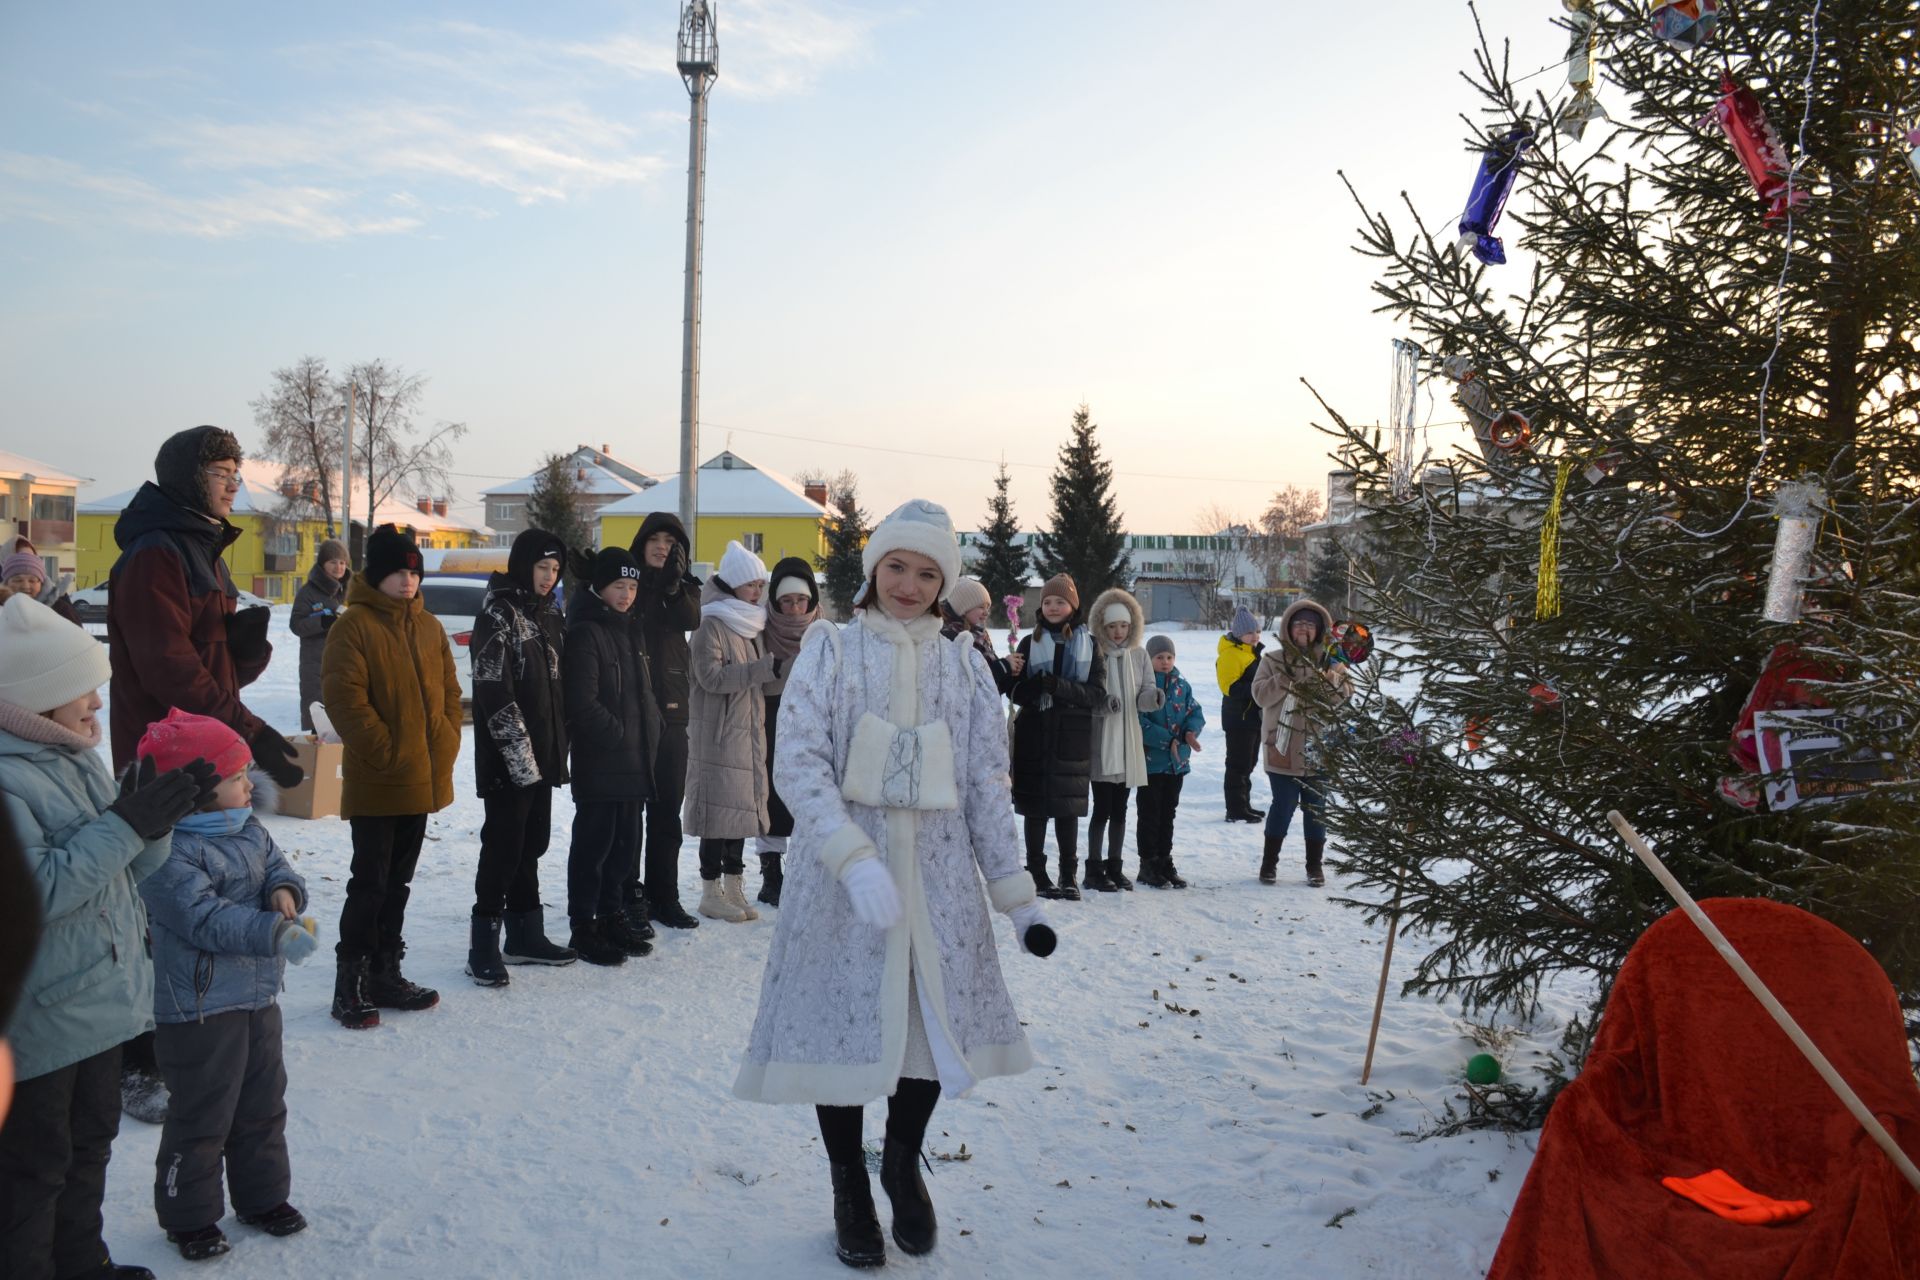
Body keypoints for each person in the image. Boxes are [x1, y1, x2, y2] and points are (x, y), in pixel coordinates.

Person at [735, 500, 1049, 1270]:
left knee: (927, 1028)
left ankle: (901, 1161)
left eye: (927, 572)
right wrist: (850, 854)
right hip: (845, 884)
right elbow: (800, 761)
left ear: (945, 583)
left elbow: (983, 781)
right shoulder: (831, 650)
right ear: (875, 570)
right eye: (898, 567)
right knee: (842, 1025)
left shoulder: (963, 665)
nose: (909, 584)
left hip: (937, 882)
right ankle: (848, 1183)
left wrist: (1014, 893)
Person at [0, 589, 215, 1280]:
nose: (97, 704)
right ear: (33, 699)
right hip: (40, 1024)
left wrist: (152, 820)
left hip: (100, 1006)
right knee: (35, 1173)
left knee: (91, 1145)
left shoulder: (72, 756)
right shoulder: (8, 782)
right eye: (81, 691)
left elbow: (125, 870)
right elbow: (36, 893)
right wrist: (123, 825)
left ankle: (81, 1265)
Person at [106, 428, 303, 1121]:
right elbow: (169, 673)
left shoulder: (204, 554)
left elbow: (209, 667)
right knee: (152, 910)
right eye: (219, 471)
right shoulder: (155, 556)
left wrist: (244, 657)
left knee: (205, 896)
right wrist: (249, 732)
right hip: (158, 763)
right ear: (188, 479)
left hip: (206, 753)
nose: (231, 483)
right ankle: (135, 1059)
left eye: (235, 471)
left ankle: (192, 1035)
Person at [134, 711, 312, 1262]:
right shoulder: (164, 850)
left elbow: (281, 868)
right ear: (200, 791)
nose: (249, 783)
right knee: (203, 1114)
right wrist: (274, 931)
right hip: (199, 1006)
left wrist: (285, 892)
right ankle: (188, 1217)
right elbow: (203, 918)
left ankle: (263, 1199)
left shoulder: (248, 827)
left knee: (262, 1103)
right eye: (237, 776)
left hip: (257, 996)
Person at [321, 525, 463, 1027]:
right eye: (398, 572)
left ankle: (386, 972)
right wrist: (387, 752)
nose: (408, 581)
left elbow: (450, 691)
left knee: (398, 883)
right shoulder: (353, 625)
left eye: (413, 572)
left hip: (422, 778)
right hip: (379, 778)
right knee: (370, 883)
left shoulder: (428, 627)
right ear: (376, 575)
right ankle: (351, 984)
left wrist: (445, 739)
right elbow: (346, 701)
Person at [467, 529, 576, 979]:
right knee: (503, 848)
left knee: (531, 846)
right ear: (523, 564)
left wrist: (553, 752)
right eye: (542, 567)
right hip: (508, 762)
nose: (549, 577)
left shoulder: (548, 614)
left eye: (555, 570)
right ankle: (483, 947)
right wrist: (522, 761)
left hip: (543, 756)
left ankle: (525, 934)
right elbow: (494, 694)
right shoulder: (498, 614)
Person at [562, 547, 661, 966]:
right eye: (619, 585)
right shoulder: (587, 632)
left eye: (633, 586)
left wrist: (650, 730)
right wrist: (618, 735)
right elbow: (581, 703)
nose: (627, 594)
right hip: (602, 763)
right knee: (594, 847)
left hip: (633, 762)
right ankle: (584, 926)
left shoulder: (629, 629)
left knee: (624, 847)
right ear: (600, 587)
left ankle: (611, 915)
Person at [685, 541, 782, 923]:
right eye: (751, 585)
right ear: (733, 585)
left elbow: (759, 679)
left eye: (761, 585)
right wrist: (761, 671)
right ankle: (710, 890)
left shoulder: (752, 623)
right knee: (717, 814)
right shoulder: (710, 623)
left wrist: (783, 672)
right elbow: (709, 677)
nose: (758, 592)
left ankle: (734, 884)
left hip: (748, 732)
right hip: (719, 733)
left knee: (740, 814)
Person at [626, 512, 702, 929]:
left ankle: (664, 896)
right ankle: (627, 894)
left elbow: (689, 619)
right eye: (655, 539)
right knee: (627, 815)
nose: (661, 547)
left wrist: (672, 586)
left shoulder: (685, 588)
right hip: (631, 711)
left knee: (666, 812)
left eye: (670, 542)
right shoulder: (627, 584)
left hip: (673, 713)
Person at [1009, 574, 1106, 901]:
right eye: (1047, 601)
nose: (1052, 607)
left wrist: (1059, 687)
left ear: (1072, 606)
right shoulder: (1028, 642)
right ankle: (1036, 873)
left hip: (1071, 738)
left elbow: (1097, 695)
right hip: (1035, 734)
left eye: (1060, 602)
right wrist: (1034, 687)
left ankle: (1069, 876)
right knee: (1035, 809)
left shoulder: (1090, 645)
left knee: (1068, 810)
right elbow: (1014, 692)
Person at [1251, 599, 1353, 887]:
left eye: (1310, 624)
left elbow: (1344, 694)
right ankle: (1269, 864)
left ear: (1319, 629)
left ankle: (1314, 867)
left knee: (1316, 808)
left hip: (1320, 747)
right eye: (1298, 624)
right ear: (1288, 628)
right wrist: (1284, 679)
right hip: (1281, 745)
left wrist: (1328, 677)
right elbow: (1260, 696)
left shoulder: (1331, 662)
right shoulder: (1272, 660)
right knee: (1282, 805)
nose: (1304, 629)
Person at [1084, 588, 1160, 892]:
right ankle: (1093, 868)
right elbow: (1086, 695)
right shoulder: (1092, 653)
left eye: (1124, 626)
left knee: (1121, 809)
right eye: (1112, 626)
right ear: (1102, 627)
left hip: (1129, 743)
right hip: (1103, 744)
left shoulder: (1139, 655)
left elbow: (1145, 694)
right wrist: (1103, 704)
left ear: (1132, 627)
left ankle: (1115, 866)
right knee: (1102, 807)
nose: (1118, 632)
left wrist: (1152, 698)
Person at [756, 556, 820, 907]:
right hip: (770, 717)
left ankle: (805, 871)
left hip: (813, 724)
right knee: (771, 798)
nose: (795, 609)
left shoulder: (824, 632)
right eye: (786, 601)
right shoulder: (759, 630)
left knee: (809, 797)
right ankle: (771, 873)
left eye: (801, 600)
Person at [1135, 635, 1205, 889]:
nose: (1165, 662)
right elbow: (1139, 722)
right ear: (1149, 659)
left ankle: (1164, 860)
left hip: (1176, 763)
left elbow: (1194, 712)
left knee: (1168, 814)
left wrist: (1189, 733)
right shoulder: (1144, 687)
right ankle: (1148, 863)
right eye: (1159, 657)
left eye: (1169, 657)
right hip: (1151, 763)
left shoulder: (1181, 686)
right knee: (1150, 814)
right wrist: (1167, 739)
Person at [288, 539, 349, 732]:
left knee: (346, 721)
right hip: (316, 665)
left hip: (346, 663)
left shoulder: (350, 591)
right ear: (322, 564)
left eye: (342, 562)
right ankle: (319, 760)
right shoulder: (308, 593)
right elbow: (296, 625)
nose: (338, 567)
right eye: (333, 562)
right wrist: (323, 622)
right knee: (319, 722)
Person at [1216, 606, 1266, 824]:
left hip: (1254, 719)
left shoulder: (1252, 654)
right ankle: (1235, 809)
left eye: (1257, 632)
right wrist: (1259, 689)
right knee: (1238, 765)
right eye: (1249, 633)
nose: (1254, 636)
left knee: (1249, 763)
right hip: (1239, 719)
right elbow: (1230, 687)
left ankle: (1244, 804)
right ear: (1238, 635)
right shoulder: (1230, 655)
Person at [938, 577, 1018, 695]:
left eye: (987, 607)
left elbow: (994, 684)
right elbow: (970, 682)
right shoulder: (951, 638)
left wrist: (1011, 671)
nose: (986, 612)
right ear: (963, 609)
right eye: (981, 607)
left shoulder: (979, 635)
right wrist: (1004, 666)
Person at [2, 539, 80, 625]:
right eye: (18, 580)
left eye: (32, 580)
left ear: (41, 582)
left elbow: (77, 636)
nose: (25, 586)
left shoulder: (59, 608)